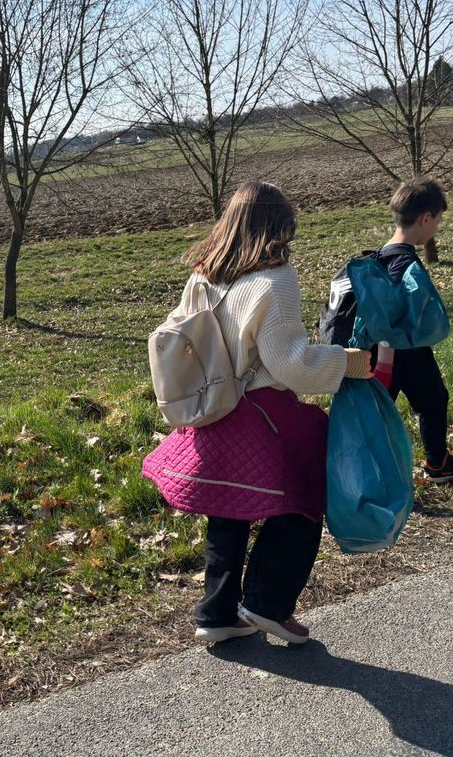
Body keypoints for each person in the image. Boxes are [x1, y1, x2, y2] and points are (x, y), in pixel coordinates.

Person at [142, 181, 371, 646]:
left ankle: (216, 613)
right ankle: (268, 603)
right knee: (304, 496)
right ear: (278, 228)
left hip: (212, 409)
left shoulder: (203, 275)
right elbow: (289, 362)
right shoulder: (276, 280)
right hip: (261, 409)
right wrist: (346, 361)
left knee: (227, 510)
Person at [369, 177, 451, 482]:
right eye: (438, 221)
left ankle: (373, 474)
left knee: (379, 413)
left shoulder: (380, 255)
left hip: (379, 351)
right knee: (434, 400)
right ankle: (437, 463)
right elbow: (399, 316)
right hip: (402, 349)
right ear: (425, 218)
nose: (437, 228)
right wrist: (387, 365)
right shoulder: (406, 263)